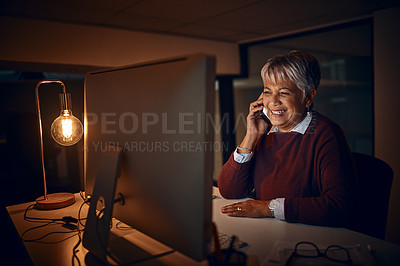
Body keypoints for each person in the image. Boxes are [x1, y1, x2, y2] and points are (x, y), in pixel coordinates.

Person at [217, 50, 357, 227]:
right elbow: (230, 190)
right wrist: (251, 136)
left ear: (308, 97)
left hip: (309, 237)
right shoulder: (265, 131)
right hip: (269, 230)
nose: (273, 101)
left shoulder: (326, 133)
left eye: (284, 93)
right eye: (268, 92)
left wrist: (268, 208)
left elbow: (339, 206)